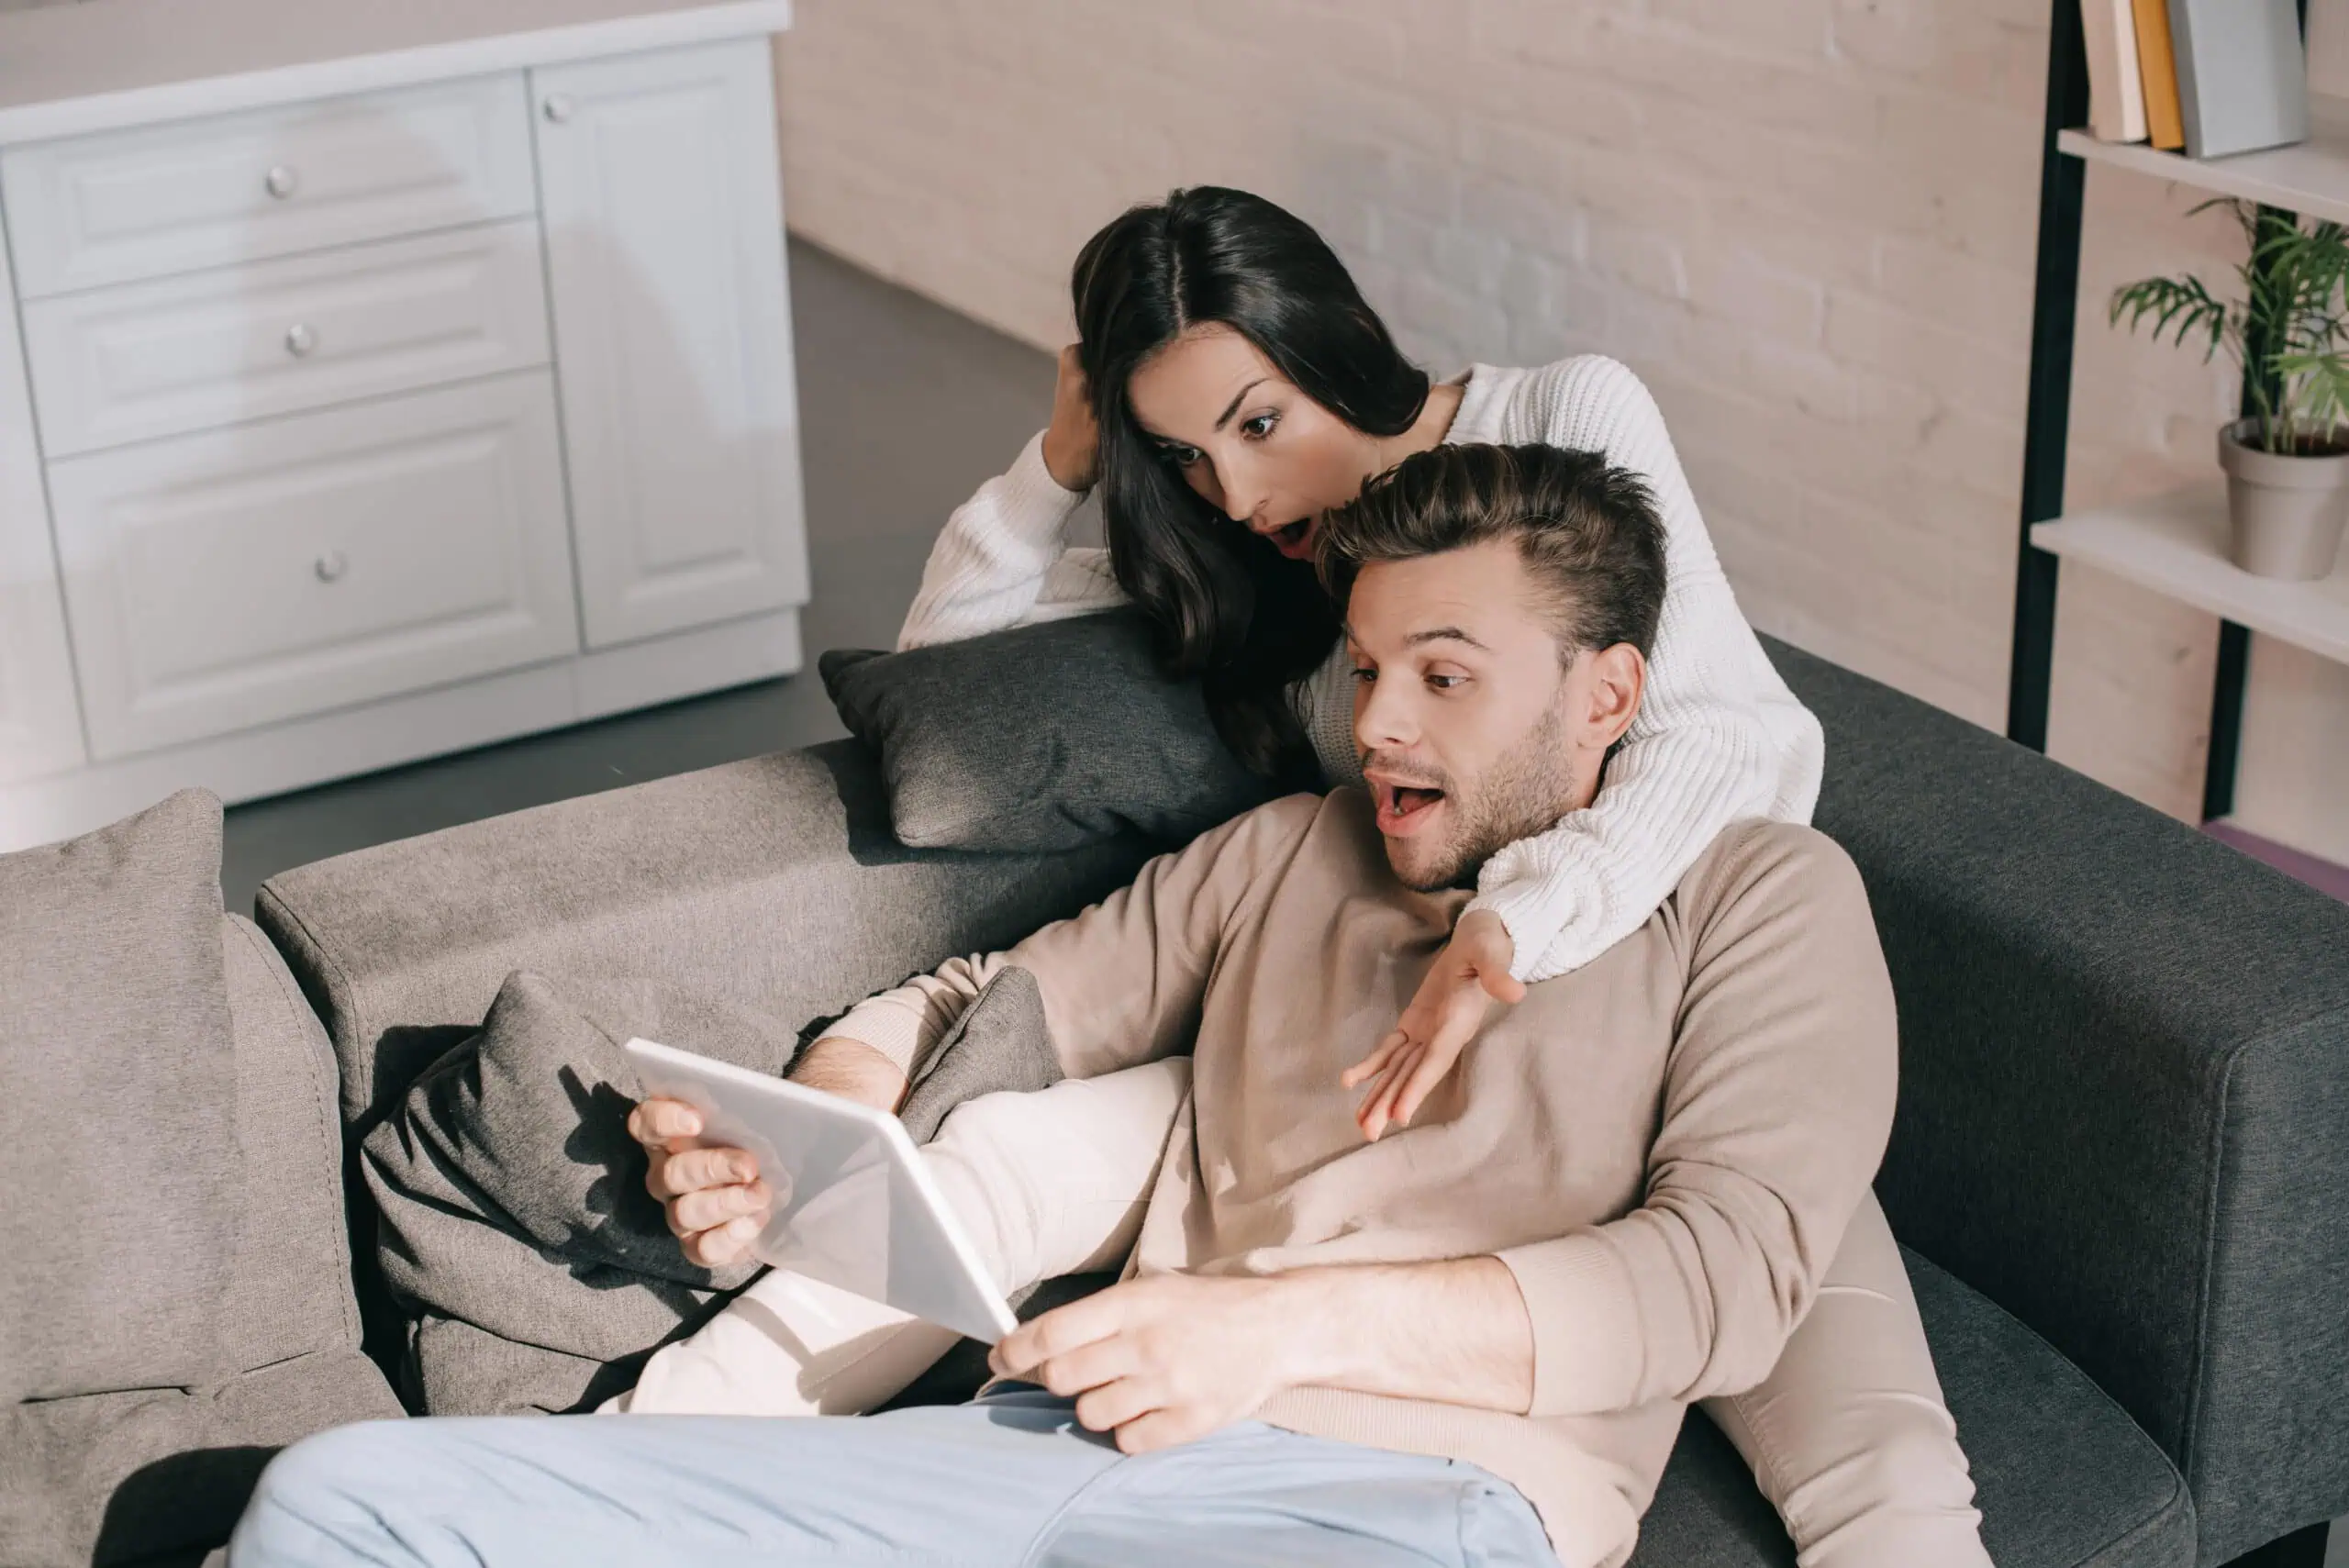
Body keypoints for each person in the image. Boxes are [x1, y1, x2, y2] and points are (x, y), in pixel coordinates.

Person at [232, 445, 1959, 1568]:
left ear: (1609, 696)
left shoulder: (1756, 897)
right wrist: (818, 1127)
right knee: (332, 1501)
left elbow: (1725, 1281)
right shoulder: (1294, 851)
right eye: (1370, 670)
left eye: (1446, 676)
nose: (1381, 724)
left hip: (1412, 1507)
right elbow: (986, 998)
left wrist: (1271, 1331)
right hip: (1038, 1450)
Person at [893, 186, 1988, 1559]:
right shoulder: (1250, 562)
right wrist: (1057, 465)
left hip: (1663, 1009)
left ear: (1335, 343)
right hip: (1471, 1089)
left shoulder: (1566, 415)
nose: (1237, 494)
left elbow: (1725, 741)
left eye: (1257, 424)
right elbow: (945, 687)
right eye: (1183, 455)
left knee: (1886, 1478)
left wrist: (1522, 924)